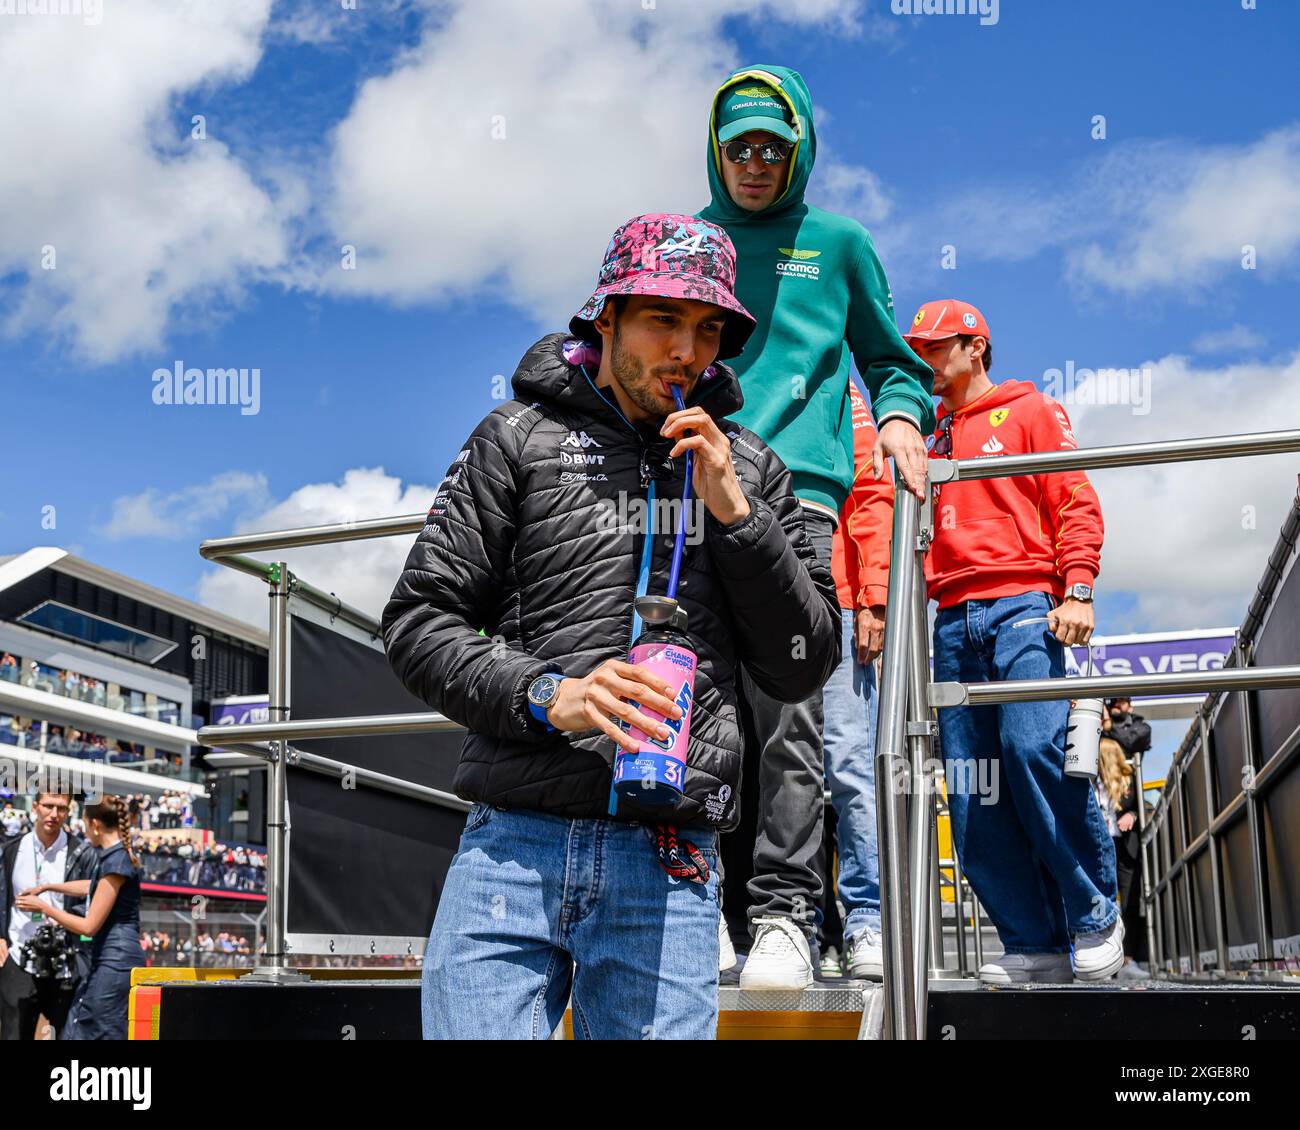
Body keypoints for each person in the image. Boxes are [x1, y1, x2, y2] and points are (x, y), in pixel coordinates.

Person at [382, 213, 840, 1039]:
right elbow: (418, 624)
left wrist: (738, 520)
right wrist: (546, 694)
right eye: (664, 319)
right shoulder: (516, 440)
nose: (687, 352)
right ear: (607, 317)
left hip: (670, 860)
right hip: (510, 848)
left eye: (708, 330)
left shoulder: (752, 467)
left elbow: (802, 663)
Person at [698, 64, 935, 989]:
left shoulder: (838, 242)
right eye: (739, 146)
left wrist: (907, 414)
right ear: (716, 153)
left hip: (798, 502)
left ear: (798, 150)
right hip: (689, 496)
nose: (756, 162)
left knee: (791, 715)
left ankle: (787, 915)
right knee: (684, 710)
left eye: (773, 146)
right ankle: (699, 909)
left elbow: (893, 362)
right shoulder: (689, 240)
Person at [908, 298, 1123, 983]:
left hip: (1025, 606)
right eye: (919, 347)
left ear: (977, 347)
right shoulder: (929, 435)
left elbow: (1075, 499)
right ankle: (1033, 943)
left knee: (1034, 751)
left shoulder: (1029, 410)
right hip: (950, 618)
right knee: (974, 790)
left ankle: (1095, 916)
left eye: (937, 346)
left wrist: (1078, 588)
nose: (924, 359)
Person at [819, 380, 893, 979]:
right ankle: (775, 923)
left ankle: (865, 919)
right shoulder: (727, 357)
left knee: (849, 767)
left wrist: (874, 598)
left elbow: (871, 495)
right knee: (767, 767)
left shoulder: (841, 387)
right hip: (756, 602)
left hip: (839, 604)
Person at [18, 795, 144, 1039]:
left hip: (115, 960)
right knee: (79, 1028)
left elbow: (88, 926)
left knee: (98, 1030)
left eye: (85, 824)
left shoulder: (115, 859)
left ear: (95, 824)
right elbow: (94, 886)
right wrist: (49, 887)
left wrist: (44, 907)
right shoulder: (114, 856)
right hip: (110, 958)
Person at [0, 792, 96, 1039]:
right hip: (19, 956)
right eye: (48, 806)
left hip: (66, 962)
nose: (54, 814)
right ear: (35, 807)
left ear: (69, 811)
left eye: (61, 808)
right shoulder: (11, 850)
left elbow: (93, 900)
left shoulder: (82, 853)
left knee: (66, 1037)